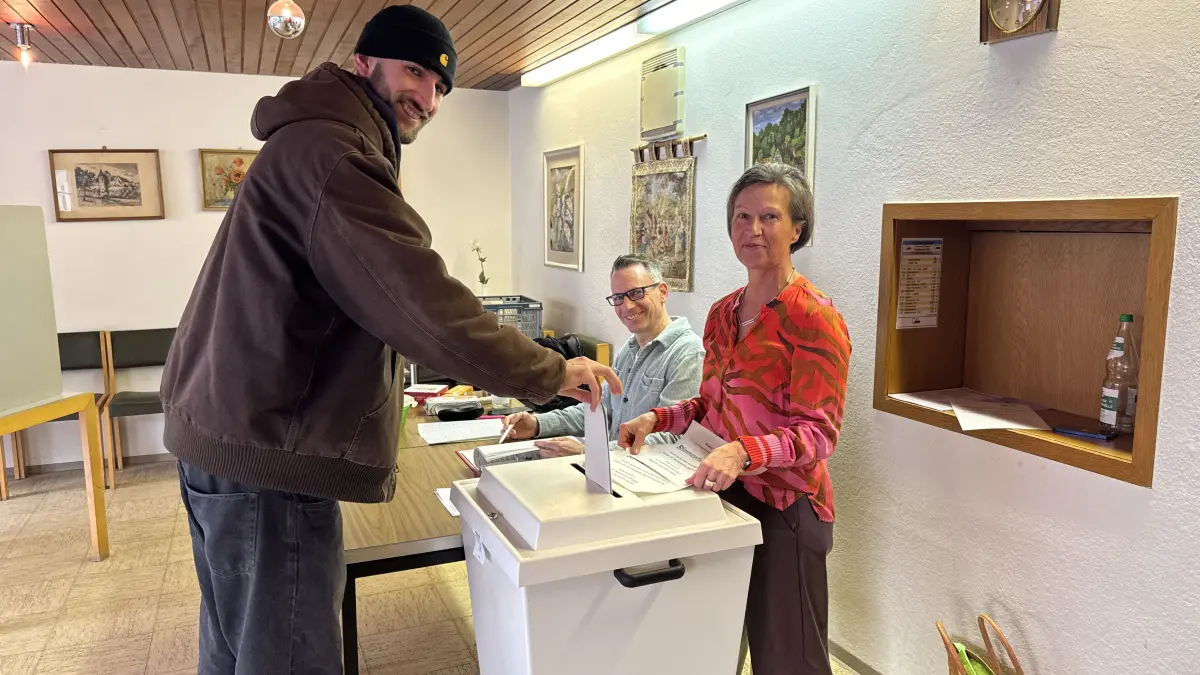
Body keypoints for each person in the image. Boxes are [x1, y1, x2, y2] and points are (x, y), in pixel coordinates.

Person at [158, 6, 620, 674]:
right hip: (269, 451)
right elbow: (424, 308)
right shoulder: (335, 154)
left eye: (441, 88)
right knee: (287, 653)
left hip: (232, 434)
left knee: (236, 642)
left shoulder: (316, 140)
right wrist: (550, 369)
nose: (428, 99)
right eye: (415, 72)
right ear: (363, 62)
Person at [618, 163, 851, 675]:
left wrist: (746, 450)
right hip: (723, 496)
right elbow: (710, 404)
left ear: (798, 228)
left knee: (790, 660)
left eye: (770, 216)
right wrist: (655, 419)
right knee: (718, 639)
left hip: (787, 507)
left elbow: (819, 432)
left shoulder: (815, 318)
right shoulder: (723, 313)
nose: (753, 229)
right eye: (742, 217)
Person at [501, 254, 704, 457]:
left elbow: (671, 437)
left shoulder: (688, 354)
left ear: (662, 292)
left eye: (636, 293)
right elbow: (601, 409)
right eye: (618, 298)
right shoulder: (630, 349)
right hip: (610, 468)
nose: (627, 306)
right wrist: (538, 424)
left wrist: (591, 452)